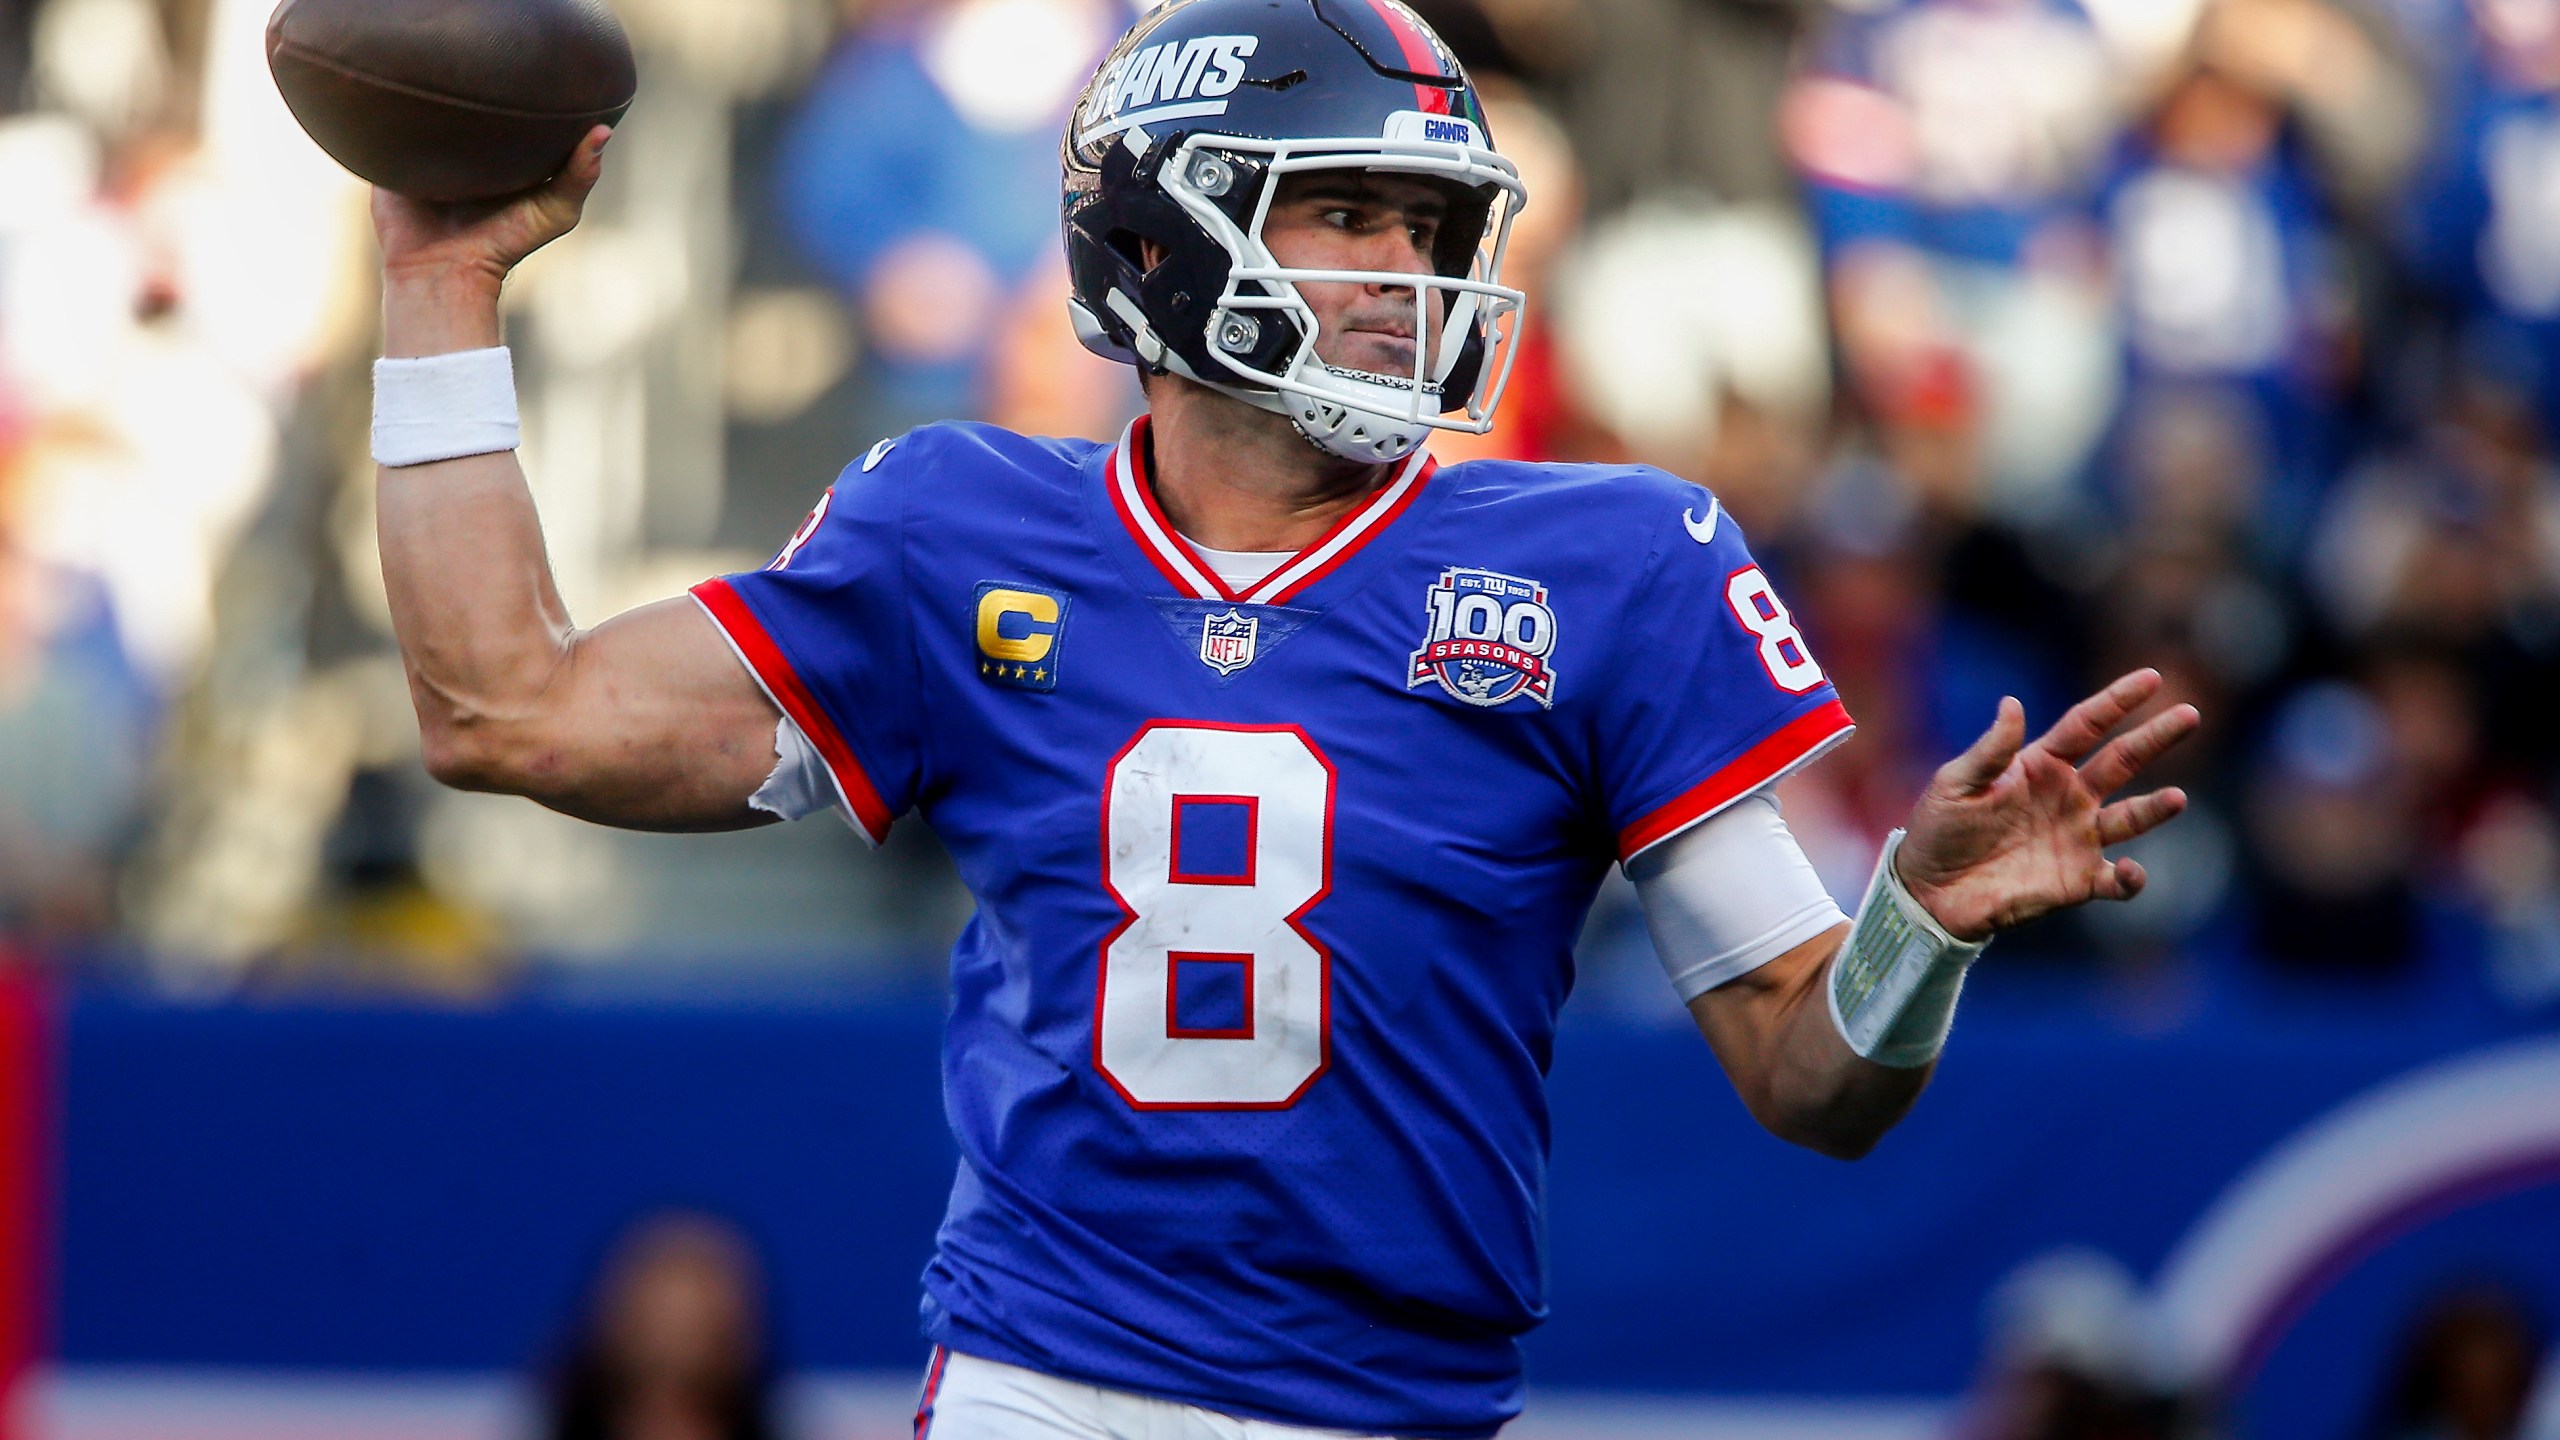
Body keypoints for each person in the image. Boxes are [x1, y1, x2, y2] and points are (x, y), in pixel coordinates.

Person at [362, 0, 2198, 1433]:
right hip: (1041, 1388)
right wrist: (440, 289)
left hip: (1392, 1411)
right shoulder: (958, 530)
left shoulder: (1614, 562)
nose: (1409, 273)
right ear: (1159, 237)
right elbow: (505, 710)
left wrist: (1918, 930)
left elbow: (1816, 1083)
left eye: (1434, 223)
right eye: (1346, 213)